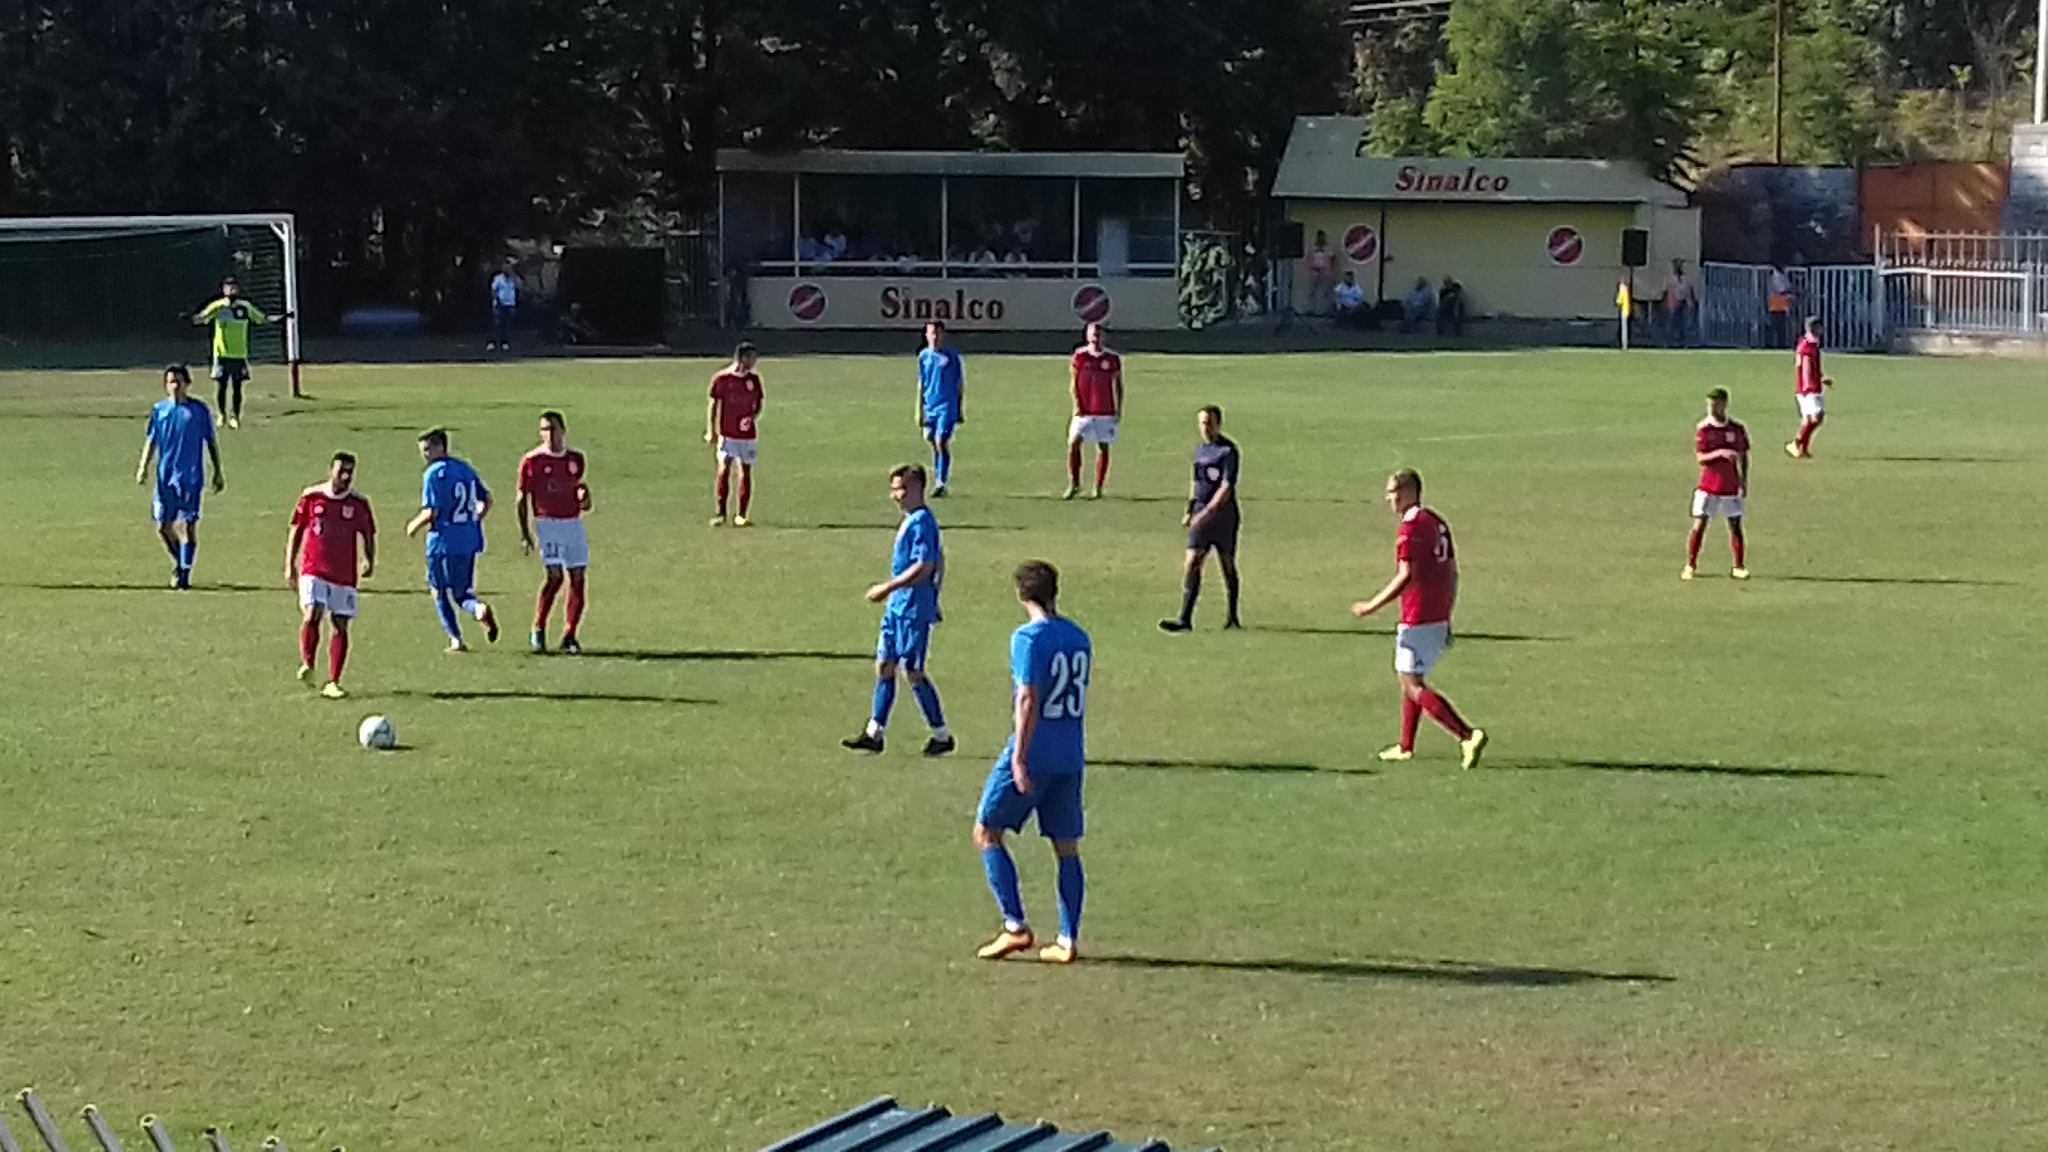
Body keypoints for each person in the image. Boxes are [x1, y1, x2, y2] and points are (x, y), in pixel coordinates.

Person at [972, 560, 1092, 966]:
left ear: (1022, 595)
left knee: (986, 831)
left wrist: (1019, 758)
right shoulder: (1079, 637)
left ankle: (1015, 927)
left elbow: (1028, 697)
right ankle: (1067, 939)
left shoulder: (1027, 638)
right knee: (1066, 848)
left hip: (1035, 752)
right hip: (1071, 754)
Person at [1349, 469, 1487, 769]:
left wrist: (1371, 606)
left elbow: (1406, 576)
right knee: (1410, 678)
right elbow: (1452, 569)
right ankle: (1406, 745)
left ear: (1409, 491)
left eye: (1393, 492)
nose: (1389, 499)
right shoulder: (1436, 522)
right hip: (1438, 611)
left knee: (1411, 684)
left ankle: (1466, 734)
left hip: (1418, 614)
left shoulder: (1409, 529)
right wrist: (1448, 612)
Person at [842, 464, 954, 756]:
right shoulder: (910, 520)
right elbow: (940, 560)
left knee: (914, 670)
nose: (896, 495)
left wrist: (888, 587)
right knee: (884, 665)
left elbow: (925, 565)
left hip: (913, 608)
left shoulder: (922, 522)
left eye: (902, 488)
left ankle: (942, 735)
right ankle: (874, 733)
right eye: (894, 489)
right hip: (898, 607)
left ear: (918, 488)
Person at [287, 453, 376, 699]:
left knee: (340, 625)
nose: (346, 477)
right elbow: (297, 529)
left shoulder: (359, 503)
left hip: (344, 574)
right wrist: (290, 565)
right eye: (341, 471)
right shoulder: (311, 497)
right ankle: (308, 664)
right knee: (312, 612)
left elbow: (368, 533)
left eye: (350, 472)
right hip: (313, 568)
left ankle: (333, 681)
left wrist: (369, 559)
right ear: (331, 471)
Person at [404, 428, 501, 651]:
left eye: (428, 449)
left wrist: (413, 526)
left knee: (438, 590)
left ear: (440, 447)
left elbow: (432, 512)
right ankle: (478, 609)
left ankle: (456, 640)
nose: (425, 455)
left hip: (442, 542)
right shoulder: (465, 469)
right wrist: (474, 519)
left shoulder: (433, 473)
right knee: (462, 592)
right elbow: (486, 499)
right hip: (469, 539)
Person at [134, 364, 223, 589]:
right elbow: (152, 440)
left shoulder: (198, 411)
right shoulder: (160, 410)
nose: (174, 386)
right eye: (170, 382)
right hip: (165, 478)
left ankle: (184, 574)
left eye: (178, 382)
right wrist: (143, 467)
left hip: (190, 478)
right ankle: (181, 563)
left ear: (187, 384)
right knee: (163, 527)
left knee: (188, 527)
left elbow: (211, 442)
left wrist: (218, 472)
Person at [1160, 406, 1241, 632]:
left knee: (1227, 565)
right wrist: (1190, 509)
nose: (1205, 428)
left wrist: (1206, 514)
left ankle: (1232, 616)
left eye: (1209, 423)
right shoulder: (1199, 451)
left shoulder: (1228, 451)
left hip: (1224, 518)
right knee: (1193, 562)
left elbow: (1226, 488)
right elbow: (1196, 484)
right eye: (1202, 423)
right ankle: (1185, 619)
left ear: (1219, 424)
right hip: (1200, 517)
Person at [517, 411, 592, 653]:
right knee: (555, 577)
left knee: (578, 579)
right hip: (547, 524)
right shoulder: (532, 461)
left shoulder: (576, 459)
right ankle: (538, 628)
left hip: (572, 524)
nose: (549, 434)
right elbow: (521, 498)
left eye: (553, 429)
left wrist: (584, 497)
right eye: (544, 429)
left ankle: (570, 635)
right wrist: (525, 532)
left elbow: (583, 498)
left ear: (563, 430)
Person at [193, 277, 288, 429]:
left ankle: (235, 416)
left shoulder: (245, 307)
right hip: (222, 354)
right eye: (229, 287)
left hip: (239, 354)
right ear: (223, 290)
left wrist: (280, 318)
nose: (232, 290)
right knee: (221, 386)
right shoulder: (218, 307)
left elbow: (262, 318)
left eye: (234, 287)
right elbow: (201, 318)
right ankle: (221, 415)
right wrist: (189, 317)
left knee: (238, 387)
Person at [1685, 388, 1750, 582]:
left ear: (1724, 404)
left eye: (1715, 404)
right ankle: (1691, 564)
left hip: (1730, 486)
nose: (1712, 408)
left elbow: (1744, 456)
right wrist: (1721, 453)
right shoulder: (1704, 429)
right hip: (1708, 486)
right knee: (1699, 525)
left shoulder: (1737, 429)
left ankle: (1738, 566)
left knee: (1736, 526)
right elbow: (1701, 458)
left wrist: (1743, 481)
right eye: (1709, 404)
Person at [706, 342, 764, 526]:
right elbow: (713, 404)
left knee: (745, 471)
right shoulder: (722, 379)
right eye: (751, 357)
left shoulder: (754, 380)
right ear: (742, 358)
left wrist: (752, 417)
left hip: (747, 435)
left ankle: (741, 515)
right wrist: (711, 430)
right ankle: (721, 513)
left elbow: (759, 402)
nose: (754, 361)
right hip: (727, 432)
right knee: (724, 468)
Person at [1064, 322, 1122, 499]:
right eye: (1093, 334)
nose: (1096, 337)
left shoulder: (1112, 359)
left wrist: (1119, 408)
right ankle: (1074, 483)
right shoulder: (1080, 356)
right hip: (1084, 410)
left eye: (1099, 334)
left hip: (1105, 410)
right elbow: (1073, 383)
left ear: (1103, 336)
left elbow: (1118, 385)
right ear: (1087, 336)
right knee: (1074, 443)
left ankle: (1098, 486)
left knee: (1103, 447)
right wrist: (1077, 404)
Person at [916, 321, 964, 496]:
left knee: (941, 440)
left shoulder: (951, 357)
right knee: (933, 443)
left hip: (947, 405)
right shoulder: (923, 356)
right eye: (932, 333)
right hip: (930, 406)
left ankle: (941, 482)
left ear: (944, 335)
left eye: (938, 333)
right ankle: (939, 477)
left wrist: (959, 407)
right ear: (926, 335)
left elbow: (959, 383)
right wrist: (919, 410)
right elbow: (922, 383)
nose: (935, 337)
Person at [1785, 316, 1832, 459]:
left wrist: (1821, 377)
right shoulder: (1808, 346)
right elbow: (1806, 366)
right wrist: (1809, 385)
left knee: (1809, 419)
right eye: (1820, 327)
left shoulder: (1808, 343)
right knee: (1817, 417)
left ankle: (1802, 448)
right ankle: (1797, 442)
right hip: (1809, 387)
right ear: (1814, 328)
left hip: (1806, 386)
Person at [1662, 259, 1696, 347]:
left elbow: (1688, 290)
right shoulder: (1670, 278)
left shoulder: (1684, 278)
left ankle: (1683, 342)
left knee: (1683, 324)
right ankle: (1668, 342)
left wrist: (1689, 301)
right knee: (1670, 324)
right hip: (1672, 304)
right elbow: (1666, 290)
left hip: (1683, 303)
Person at [488, 262, 518, 351]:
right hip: (500, 304)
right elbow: (493, 290)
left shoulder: (514, 279)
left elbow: (520, 286)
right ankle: (492, 343)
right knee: (496, 324)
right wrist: (495, 300)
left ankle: (504, 343)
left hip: (510, 304)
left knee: (506, 325)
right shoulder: (498, 279)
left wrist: (513, 276)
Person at [1305, 231, 1335, 315]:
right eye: (1319, 237)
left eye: (1322, 237)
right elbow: (1308, 258)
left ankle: (1328, 310)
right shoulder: (1312, 247)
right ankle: (1311, 309)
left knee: (1327, 292)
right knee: (1311, 292)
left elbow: (1332, 258)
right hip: (1314, 271)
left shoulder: (1329, 247)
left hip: (1325, 271)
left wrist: (1329, 269)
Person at [1767, 264, 1793, 348]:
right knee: (1778, 326)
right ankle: (1777, 344)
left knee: (1780, 326)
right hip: (1777, 305)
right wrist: (1791, 293)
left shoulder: (1781, 276)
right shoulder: (1777, 277)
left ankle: (1779, 343)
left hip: (1781, 304)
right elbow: (1781, 290)